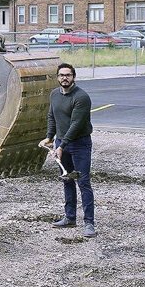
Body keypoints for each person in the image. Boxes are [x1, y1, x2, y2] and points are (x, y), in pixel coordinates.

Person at [39, 63, 96, 238]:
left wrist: (61, 146)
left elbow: (76, 125)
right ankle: (70, 217)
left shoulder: (82, 97)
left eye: (68, 75)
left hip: (80, 144)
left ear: (74, 77)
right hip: (62, 142)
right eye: (62, 75)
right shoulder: (54, 94)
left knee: (83, 182)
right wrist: (50, 138)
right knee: (67, 179)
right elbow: (52, 116)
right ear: (57, 77)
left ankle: (89, 223)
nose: (65, 78)